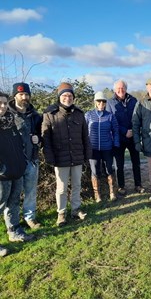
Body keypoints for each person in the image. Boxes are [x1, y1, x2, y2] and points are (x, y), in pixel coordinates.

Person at [42, 82, 92, 226]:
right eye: (64, 95)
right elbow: (46, 138)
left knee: (77, 185)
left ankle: (76, 210)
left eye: (70, 95)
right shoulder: (50, 114)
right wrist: (49, 156)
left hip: (76, 156)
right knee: (62, 188)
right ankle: (61, 213)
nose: (67, 98)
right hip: (60, 158)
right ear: (59, 97)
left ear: (73, 98)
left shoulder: (79, 114)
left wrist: (87, 154)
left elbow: (85, 136)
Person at [0, 92, 33, 256]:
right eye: (0, 103)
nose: (3, 106)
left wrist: (22, 162)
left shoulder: (11, 122)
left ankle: (14, 231)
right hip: (2, 175)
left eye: (5, 103)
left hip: (16, 170)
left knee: (13, 203)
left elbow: (19, 144)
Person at [8, 82, 42, 229]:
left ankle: (29, 217)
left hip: (31, 160)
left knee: (30, 191)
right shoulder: (7, 115)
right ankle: (13, 223)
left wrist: (38, 139)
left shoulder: (34, 116)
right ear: (15, 95)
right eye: (21, 94)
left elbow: (42, 134)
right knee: (13, 195)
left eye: (26, 94)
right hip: (13, 162)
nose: (24, 97)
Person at [106, 80, 145, 196]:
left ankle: (138, 185)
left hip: (133, 136)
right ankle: (121, 187)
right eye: (118, 88)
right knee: (119, 164)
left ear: (126, 89)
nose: (120, 90)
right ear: (114, 90)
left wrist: (133, 130)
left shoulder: (133, 101)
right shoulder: (110, 103)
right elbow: (111, 121)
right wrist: (124, 131)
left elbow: (138, 117)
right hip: (119, 137)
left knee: (136, 162)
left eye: (123, 88)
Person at [85, 91, 119, 202]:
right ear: (95, 102)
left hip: (107, 148)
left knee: (109, 170)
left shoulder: (110, 116)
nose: (101, 103)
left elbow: (115, 131)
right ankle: (97, 195)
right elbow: (84, 132)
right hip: (93, 149)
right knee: (95, 171)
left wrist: (116, 144)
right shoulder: (88, 115)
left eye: (103, 101)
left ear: (105, 103)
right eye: (99, 101)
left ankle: (112, 192)